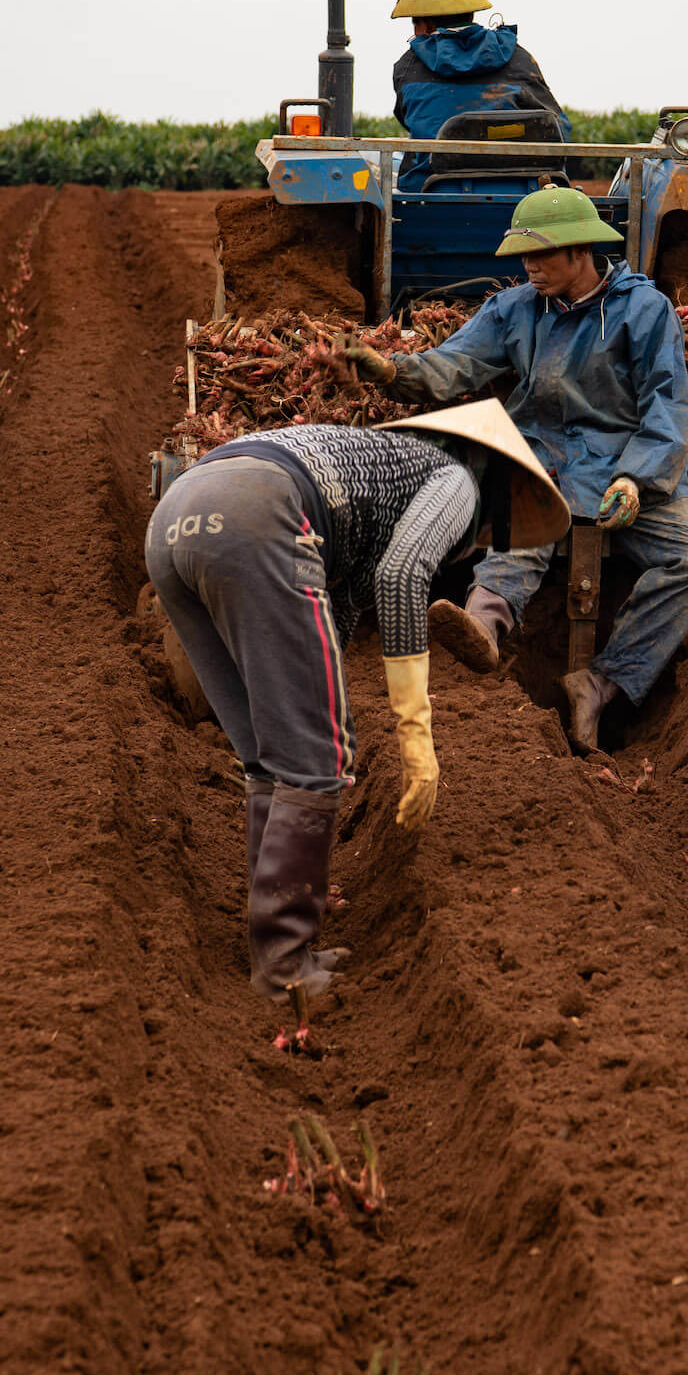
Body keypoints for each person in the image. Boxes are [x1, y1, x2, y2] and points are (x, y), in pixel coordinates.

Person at [144, 402, 570, 1003]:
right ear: (498, 479)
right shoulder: (456, 479)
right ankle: (285, 965)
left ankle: (276, 941)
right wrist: (416, 740)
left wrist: (323, 699)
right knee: (315, 758)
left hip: (177, 517)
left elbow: (333, 620)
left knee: (272, 757)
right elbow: (402, 577)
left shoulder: (377, 476)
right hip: (261, 511)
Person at [340, 185, 688, 753]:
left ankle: (602, 681)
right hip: (540, 453)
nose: (529, 267)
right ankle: (483, 629)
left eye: (541, 255)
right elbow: (455, 366)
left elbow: (667, 403)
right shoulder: (514, 308)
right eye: (523, 256)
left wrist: (636, 478)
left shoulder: (644, 310)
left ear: (581, 253)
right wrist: (390, 371)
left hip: (627, 466)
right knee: (521, 527)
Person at [390, 0, 571, 190]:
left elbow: (409, 119)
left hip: (433, 189)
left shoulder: (408, 66)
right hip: (525, 191)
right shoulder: (518, 58)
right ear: (471, 12)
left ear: (424, 24)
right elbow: (559, 129)